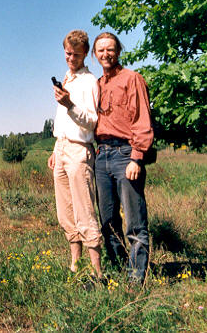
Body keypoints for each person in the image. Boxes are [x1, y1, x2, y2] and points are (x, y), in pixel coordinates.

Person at [93, 32, 154, 285]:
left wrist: (136, 158)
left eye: (110, 49)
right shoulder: (96, 84)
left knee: (134, 222)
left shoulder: (132, 79)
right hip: (102, 155)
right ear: (95, 55)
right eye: (100, 50)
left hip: (125, 153)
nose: (105, 54)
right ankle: (118, 272)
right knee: (107, 220)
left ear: (118, 51)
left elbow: (142, 120)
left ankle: (136, 279)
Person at [48, 30, 103, 279]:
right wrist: (55, 148)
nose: (71, 58)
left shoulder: (89, 81)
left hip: (79, 150)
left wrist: (70, 105)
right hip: (61, 148)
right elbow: (63, 120)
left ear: (85, 55)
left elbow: (92, 122)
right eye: (68, 53)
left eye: (77, 55)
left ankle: (96, 272)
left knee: (84, 210)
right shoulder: (67, 79)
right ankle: (75, 265)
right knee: (65, 212)